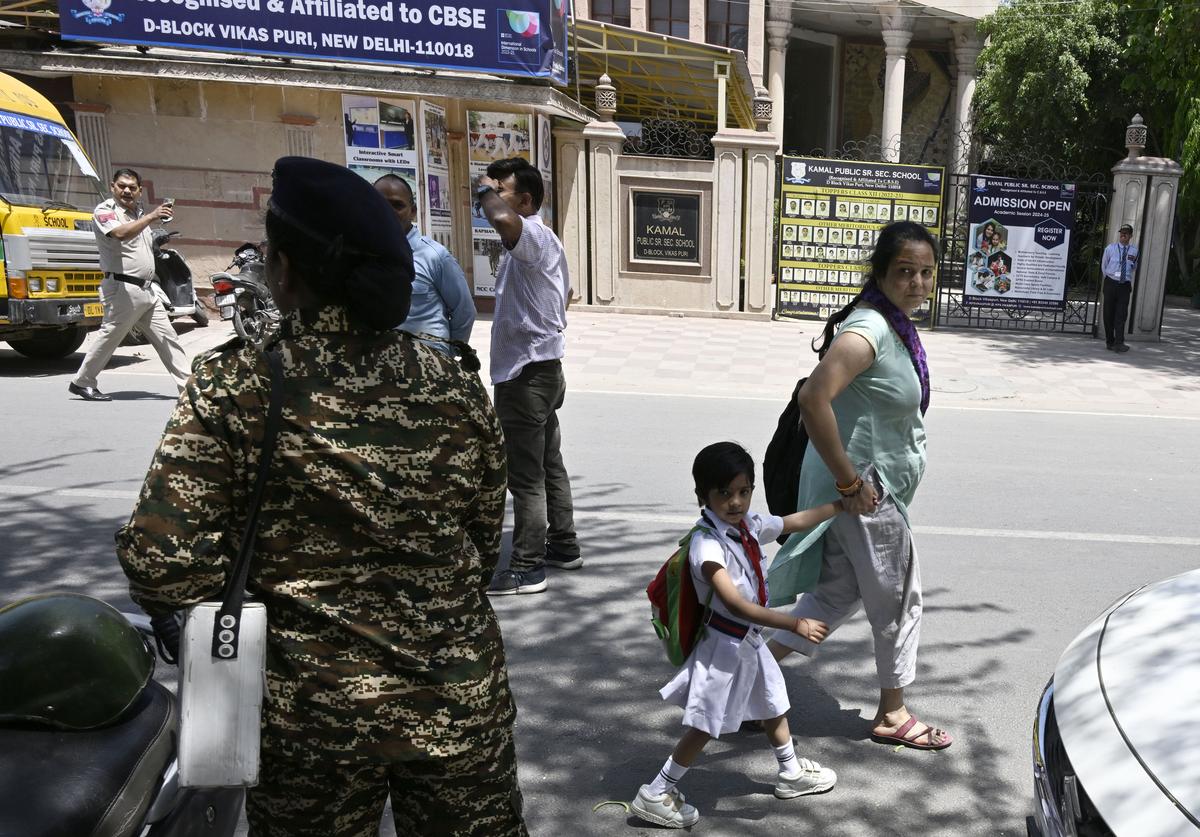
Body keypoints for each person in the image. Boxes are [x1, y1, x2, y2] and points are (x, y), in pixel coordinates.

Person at [116, 156, 527, 836]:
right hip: (455, 702)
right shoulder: (453, 384)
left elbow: (163, 559)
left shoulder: (235, 384)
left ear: (283, 269)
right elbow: (483, 541)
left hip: (307, 721)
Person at [766, 220, 953, 752]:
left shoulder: (891, 324)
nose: (916, 283)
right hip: (866, 493)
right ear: (879, 273)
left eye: (925, 273)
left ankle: (736, 673)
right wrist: (850, 481)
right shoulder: (869, 328)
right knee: (896, 600)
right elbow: (813, 398)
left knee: (835, 592)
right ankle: (893, 712)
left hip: (863, 489)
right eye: (904, 272)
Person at [631, 442, 841, 829]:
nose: (736, 501)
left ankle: (790, 771)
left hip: (747, 643)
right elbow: (735, 602)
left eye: (744, 491)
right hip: (723, 647)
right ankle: (657, 792)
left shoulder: (746, 528)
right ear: (703, 497)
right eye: (724, 493)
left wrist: (840, 507)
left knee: (773, 699)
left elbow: (792, 521)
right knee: (706, 724)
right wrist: (794, 623)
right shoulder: (707, 544)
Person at [476, 157, 580, 596]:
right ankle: (563, 543)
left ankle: (526, 566)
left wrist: (481, 188)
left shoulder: (532, 234)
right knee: (548, 462)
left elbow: (500, 218)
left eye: (502, 190)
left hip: (526, 375)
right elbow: (567, 296)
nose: (493, 197)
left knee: (525, 475)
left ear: (525, 200)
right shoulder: (542, 241)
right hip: (540, 368)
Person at [68, 168, 190, 401]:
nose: (126, 191)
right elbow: (120, 234)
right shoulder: (106, 211)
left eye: (132, 187)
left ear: (139, 191)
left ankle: (188, 387)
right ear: (112, 186)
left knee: (168, 338)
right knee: (110, 335)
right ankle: (82, 382)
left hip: (146, 289)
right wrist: (151, 217)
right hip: (123, 289)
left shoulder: (138, 214)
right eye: (122, 186)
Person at [373, 173, 475, 345]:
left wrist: (448, 355)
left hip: (428, 365)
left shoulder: (435, 256)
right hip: (378, 364)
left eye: (397, 205)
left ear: (412, 212)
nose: (388, 211)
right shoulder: (359, 253)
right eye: (380, 204)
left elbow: (464, 312)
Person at [1101, 223, 1138, 353]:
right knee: (1108, 314)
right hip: (1111, 283)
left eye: (1126, 233)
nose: (1123, 235)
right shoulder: (1110, 248)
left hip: (1124, 286)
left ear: (1130, 236)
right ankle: (1110, 341)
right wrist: (1111, 279)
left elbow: (1133, 267)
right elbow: (1104, 266)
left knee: (1121, 315)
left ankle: (1119, 342)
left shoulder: (1134, 251)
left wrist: (1124, 277)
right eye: (1121, 233)